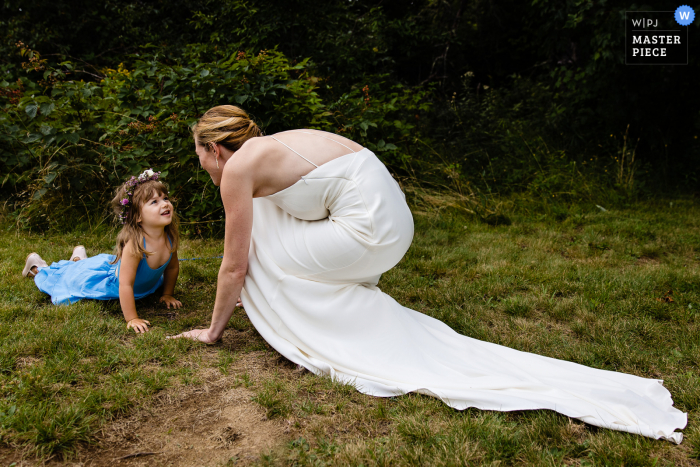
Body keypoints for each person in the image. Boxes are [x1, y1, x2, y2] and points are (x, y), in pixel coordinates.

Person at [170, 105, 686, 443]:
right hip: (393, 222)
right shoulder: (277, 144)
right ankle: (318, 322)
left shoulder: (238, 169)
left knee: (253, 252)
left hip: (368, 232)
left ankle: (315, 336)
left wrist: (214, 331)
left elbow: (233, 262)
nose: (207, 171)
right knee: (264, 235)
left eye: (202, 161)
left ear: (215, 149)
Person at [22, 169, 183, 333]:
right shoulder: (135, 245)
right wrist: (132, 318)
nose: (165, 204)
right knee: (70, 281)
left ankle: (79, 260)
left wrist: (168, 294)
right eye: (154, 202)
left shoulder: (170, 237)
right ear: (137, 216)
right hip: (111, 284)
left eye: (165, 198)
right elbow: (125, 284)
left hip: (143, 287)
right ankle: (37, 268)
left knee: (78, 271)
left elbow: (171, 268)